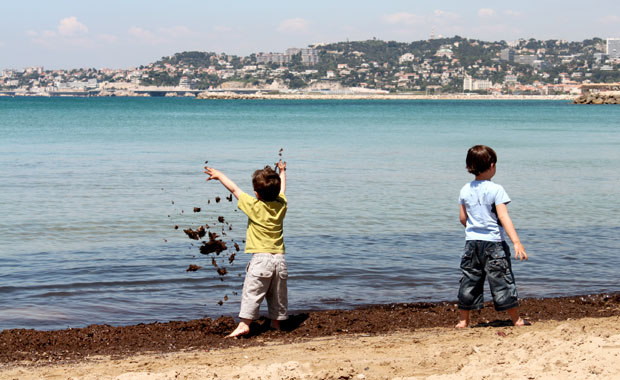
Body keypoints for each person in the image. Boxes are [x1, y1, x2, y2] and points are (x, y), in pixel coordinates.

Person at [204, 160, 288, 338]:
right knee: (277, 295)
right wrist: (282, 171)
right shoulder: (281, 205)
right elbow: (282, 190)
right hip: (279, 260)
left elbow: (234, 189)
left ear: (257, 194)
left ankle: (244, 324)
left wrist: (219, 175)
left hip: (261, 260)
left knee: (252, 292)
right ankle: (276, 323)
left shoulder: (254, 206)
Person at [456, 145, 529, 328]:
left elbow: (462, 218)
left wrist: (474, 228)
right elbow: (503, 217)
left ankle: (463, 321)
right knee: (502, 280)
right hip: (494, 244)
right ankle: (516, 319)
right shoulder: (496, 189)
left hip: (471, 243)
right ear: (492, 165)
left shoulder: (465, 189)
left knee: (469, 280)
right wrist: (516, 242)